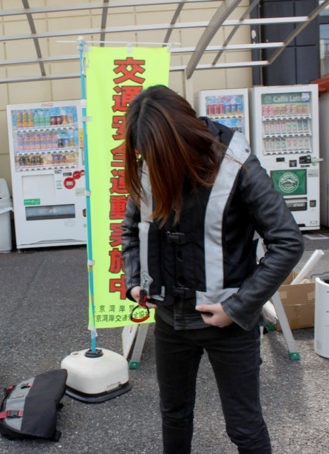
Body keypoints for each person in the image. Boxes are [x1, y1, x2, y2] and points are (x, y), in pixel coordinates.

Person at [121, 85, 304, 454]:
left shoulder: (237, 165)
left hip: (229, 326)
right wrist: (135, 280)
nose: (150, 164)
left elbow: (287, 242)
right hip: (170, 321)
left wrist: (237, 308)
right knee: (173, 415)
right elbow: (131, 228)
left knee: (244, 427)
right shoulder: (148, 164)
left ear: (180, 139)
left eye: (157, 156)